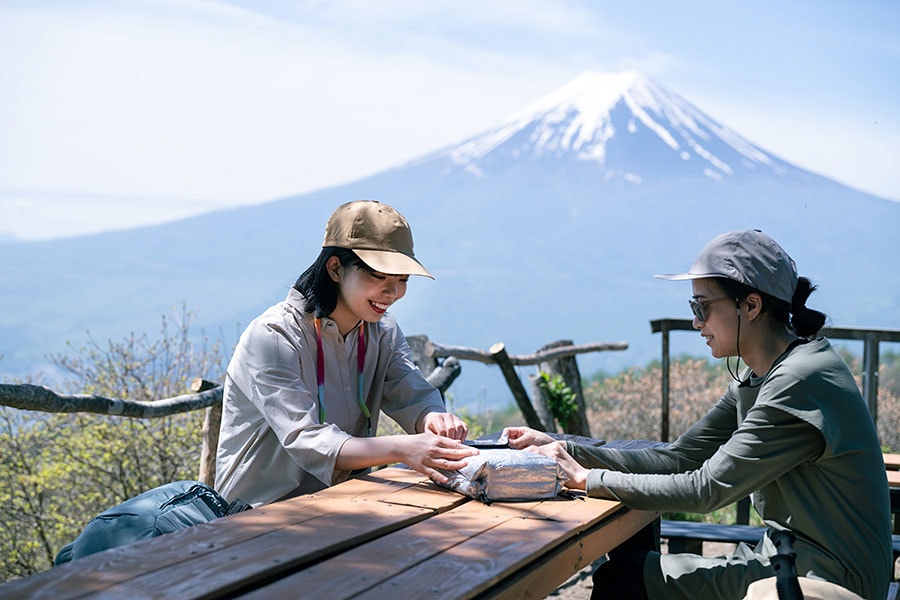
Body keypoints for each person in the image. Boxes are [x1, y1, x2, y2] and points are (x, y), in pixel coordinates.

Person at [504, 229, 892, 600]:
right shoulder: (765, 374)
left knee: (624, 580)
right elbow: (679, 457)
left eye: (702, 307)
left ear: (751, 306)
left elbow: (706, 490)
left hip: (827, 581)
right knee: (628, 574)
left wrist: (586, 479)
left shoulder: (797, 380)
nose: (696, 322)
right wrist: (566, 449)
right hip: (788, 560)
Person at [215, 200, 477, 507]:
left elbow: (413, 394)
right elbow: (306, 439)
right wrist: (403, 448)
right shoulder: (273, 337)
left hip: (344, 507)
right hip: (257, 518)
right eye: (379, 276)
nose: (392, 293)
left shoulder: (383, 332)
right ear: (336, 268)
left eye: (403, 280)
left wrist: (433, 417)